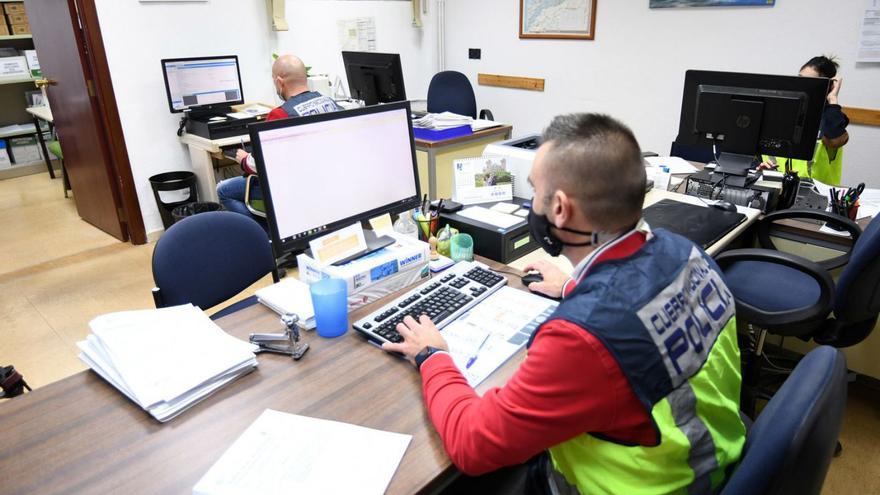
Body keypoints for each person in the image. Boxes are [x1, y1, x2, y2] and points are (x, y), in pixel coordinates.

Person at [384, 113, 746, 494]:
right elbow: (643, 322)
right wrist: (577, 287)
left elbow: (472, 445)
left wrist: (433, 357)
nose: (532, 204)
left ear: (558, 208)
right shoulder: (685, 252)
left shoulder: (580, 338)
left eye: (534, 191)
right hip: (713, 461)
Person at [216, 54, 341, 223]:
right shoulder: (331, 103)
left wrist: (245, 160)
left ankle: (268, 235)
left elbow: (261, 163)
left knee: (223, 190)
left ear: (279, 82)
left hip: (294, 189)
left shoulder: (280, 115)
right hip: (328, 183)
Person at [758, 55, 850, 185]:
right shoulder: (783, 116)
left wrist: (832, 99)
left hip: (819, 197)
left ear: (827, 88)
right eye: (800, 80)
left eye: (809, 83)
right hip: (780, 191)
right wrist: (765, 171)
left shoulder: (832, 120)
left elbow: (835, 139)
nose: (801, 87)